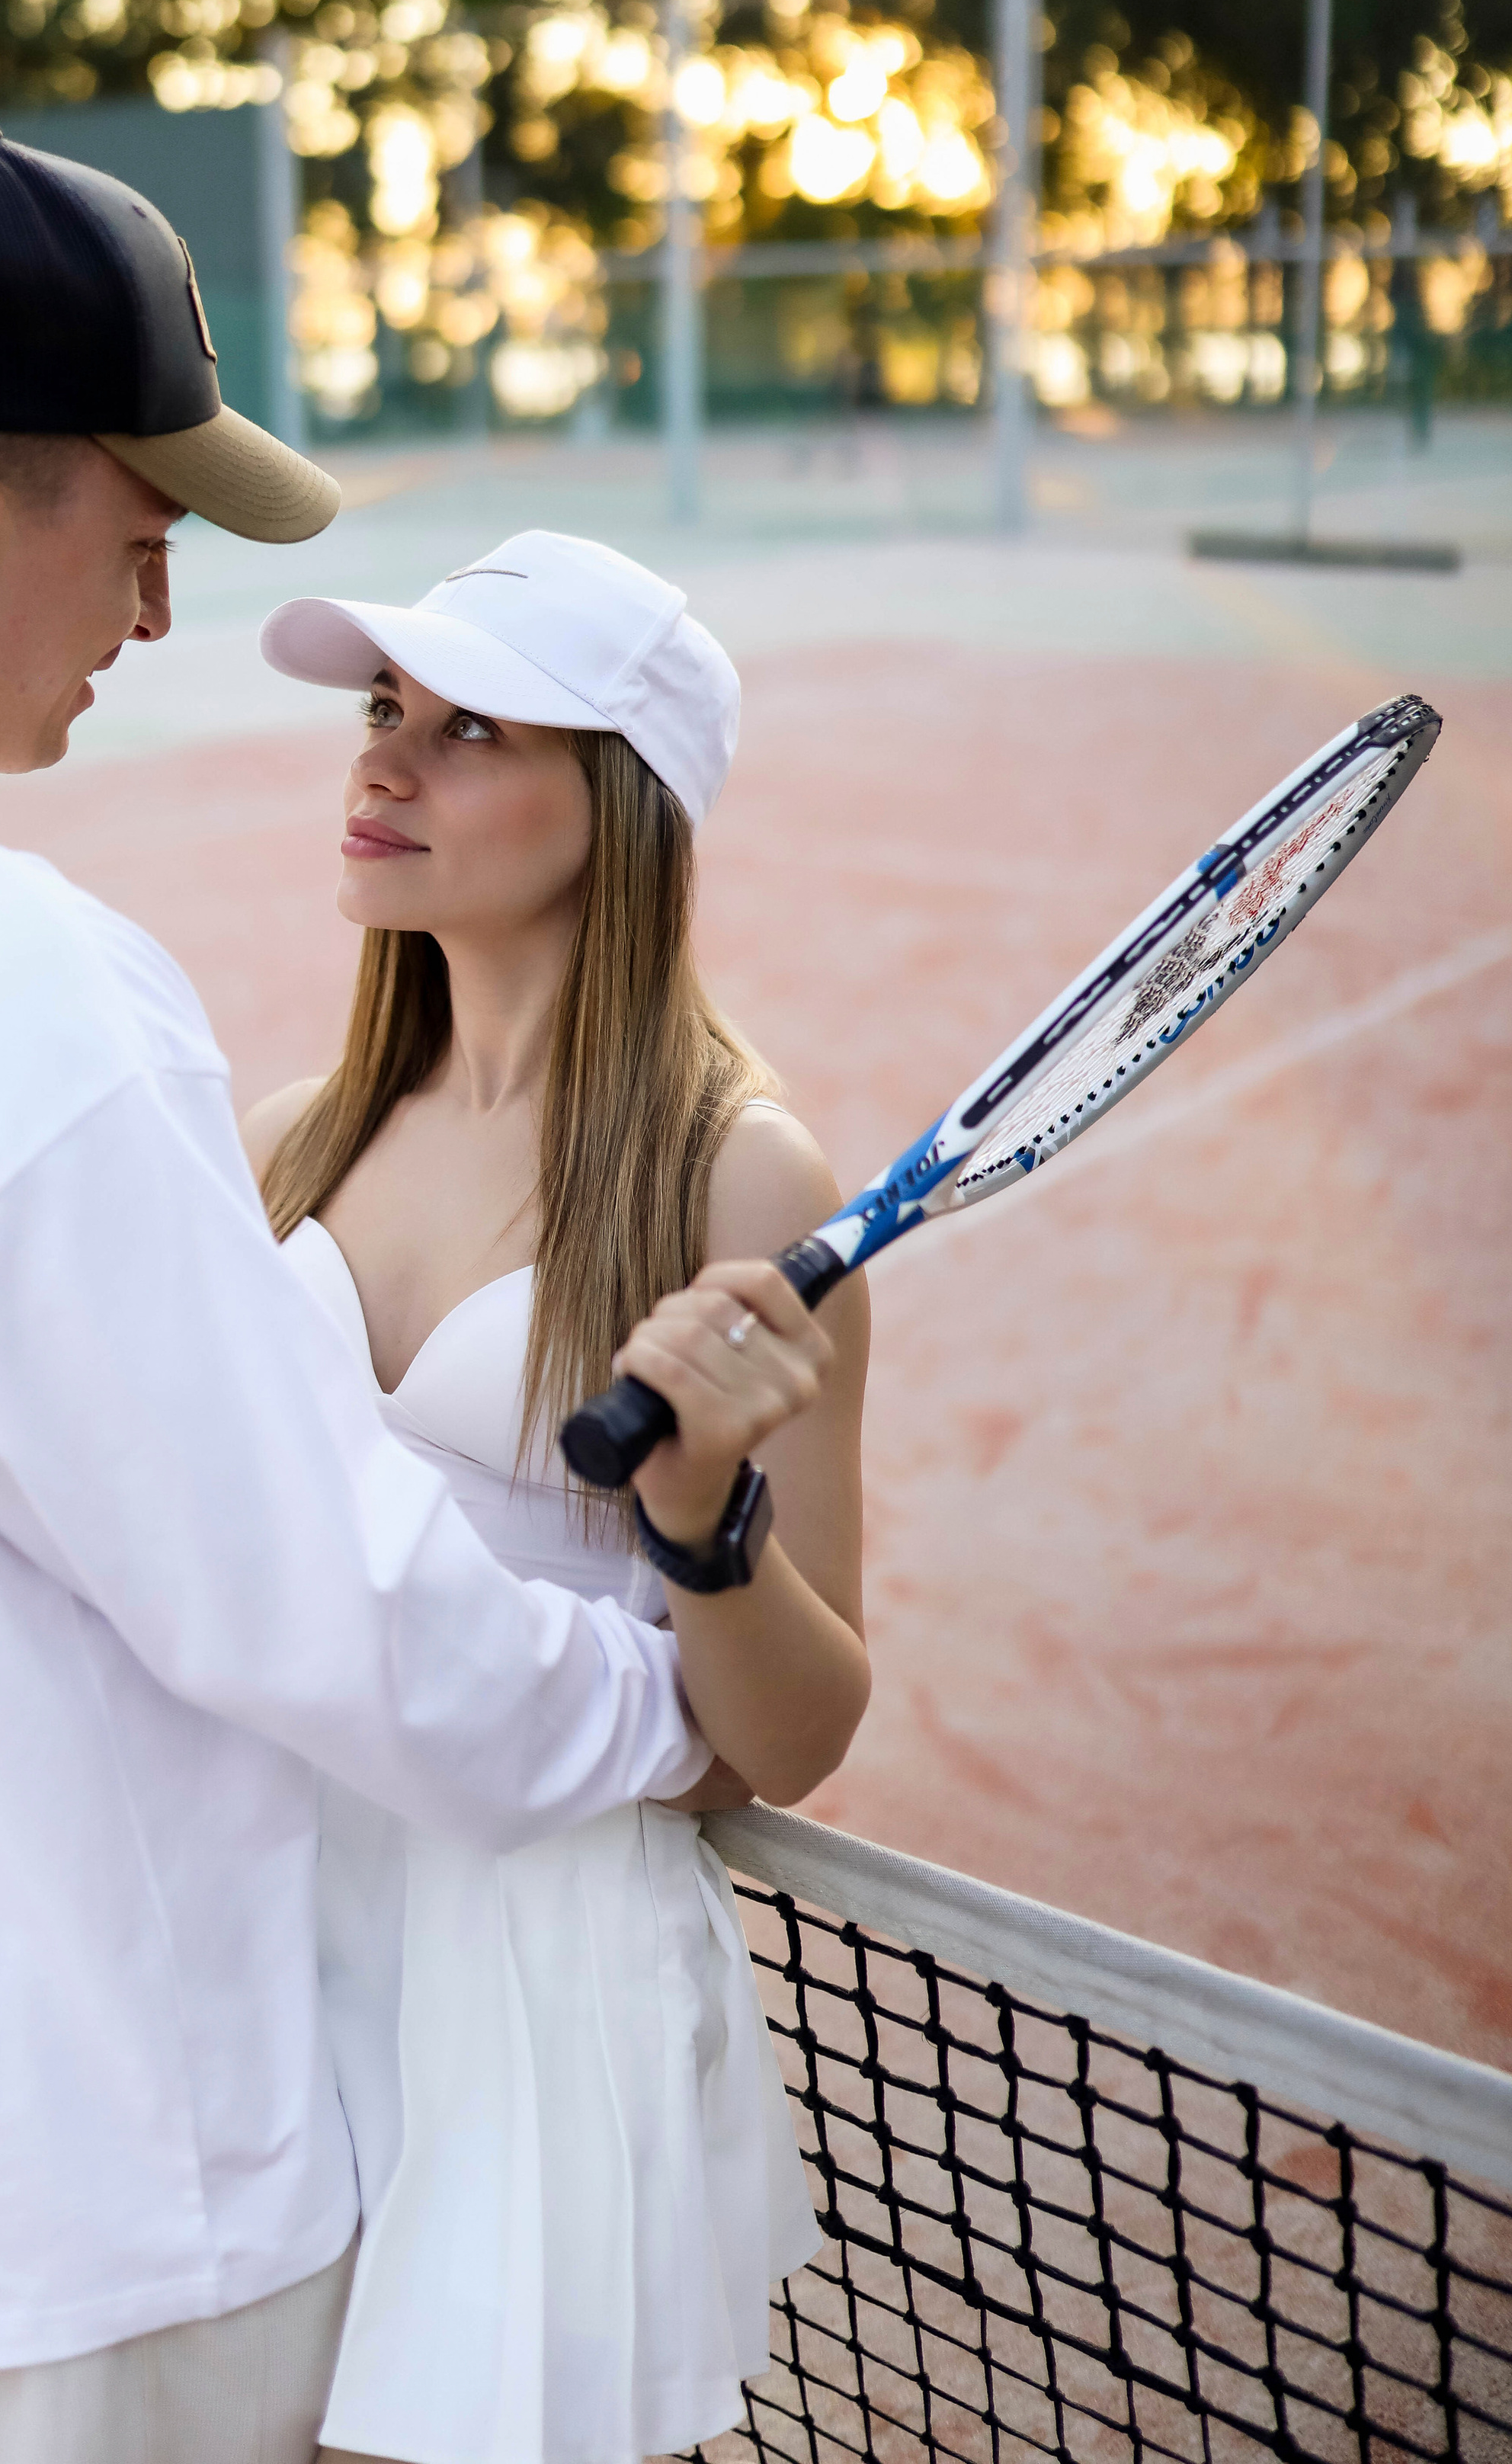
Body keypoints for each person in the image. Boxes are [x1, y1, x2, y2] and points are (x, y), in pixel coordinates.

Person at [0, 134, 837, 2464]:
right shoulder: (14, 991)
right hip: (80, 2212)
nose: (149, 624)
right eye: (137, 548)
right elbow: (309, 1597)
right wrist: (657, 1706)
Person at [243, 533, 873, 2464]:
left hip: (534, 1998)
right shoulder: (285, 1137)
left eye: (465, 729)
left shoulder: (734, 1180)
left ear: (614, 805)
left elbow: (781, 1743)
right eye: (379, 711)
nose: (381, 765)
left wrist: (700, 1521)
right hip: (260, 1939)